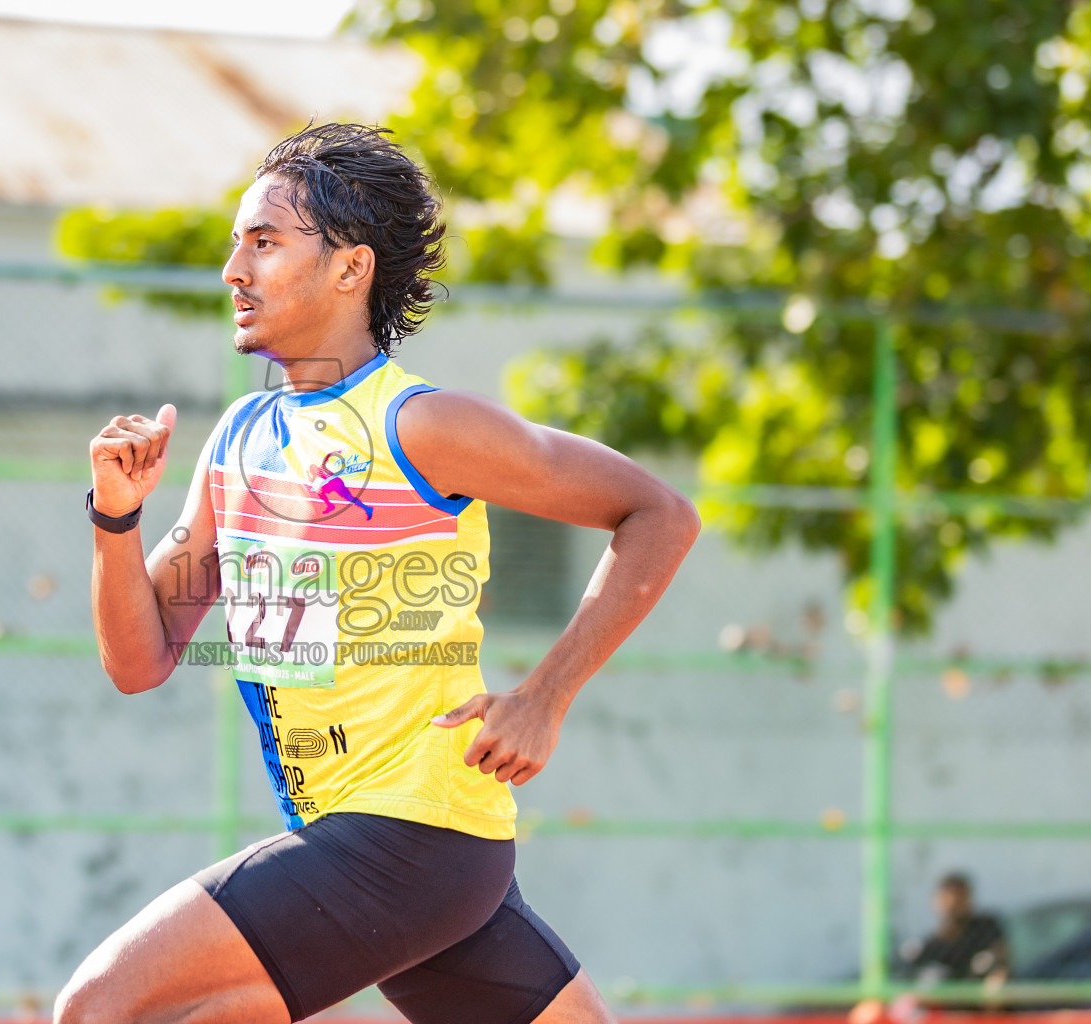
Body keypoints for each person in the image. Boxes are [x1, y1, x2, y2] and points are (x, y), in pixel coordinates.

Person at [63, 123, 700, 1024]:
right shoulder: (240, 438)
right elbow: (139, 659)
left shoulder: (422, 427)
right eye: (235, 243)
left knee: (102, 1009)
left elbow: (661, 516)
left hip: (411, 838)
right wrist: (114, 519)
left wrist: (545, 697)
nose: (232, 270)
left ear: (350, 269)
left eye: (265, 241)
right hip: (395, 849)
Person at [900, 872, 1010, 985]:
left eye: (960, 898)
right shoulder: (925, 950)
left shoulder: (986, 929)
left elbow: (1000, 963)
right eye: (948, 900)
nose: (954, 906)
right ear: (935, 902)